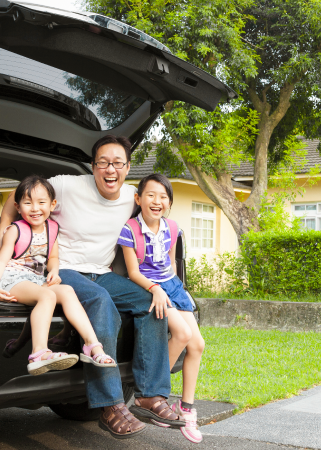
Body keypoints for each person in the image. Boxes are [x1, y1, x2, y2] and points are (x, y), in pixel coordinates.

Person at [0, 136, 184, 440]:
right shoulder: (66, 185)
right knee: (100, 300)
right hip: (63, 270)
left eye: (117, 163)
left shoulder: (133, 197)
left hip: (102, 272)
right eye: (103, 162)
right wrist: (2, 237)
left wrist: (163, 281)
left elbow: (154, 220)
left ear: (128, 167)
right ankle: (110, 405)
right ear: (93, 166)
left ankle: (150, 395)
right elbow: (17, 198)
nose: (110, 169)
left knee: (150, 302)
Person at [0, 175, 116, 375]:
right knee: (47, 295)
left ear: (52, 205)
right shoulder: (15, 230)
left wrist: (54, 271)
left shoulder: (52, 229)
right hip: (12, 278)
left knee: (67, 290)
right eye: (28, 203)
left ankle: (93, 346)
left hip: (36, 279)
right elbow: (1, 260)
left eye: (41, 202)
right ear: (18, 207)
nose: (35, 208)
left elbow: (53, 257)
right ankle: (39, 353)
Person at [118, 174, 205, 444]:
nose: (157, 201)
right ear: (138, 199)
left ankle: (186, 408)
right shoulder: (130, 229)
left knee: (198, 345)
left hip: (172, 286)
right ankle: (152, 396)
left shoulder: (173, 227)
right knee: (182, 334)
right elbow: (133, 272)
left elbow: (171, 262)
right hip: (149, 287)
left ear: (169, 202)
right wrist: (155, 289)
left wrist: (177, 288)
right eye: (151, 195)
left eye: (163, 196)